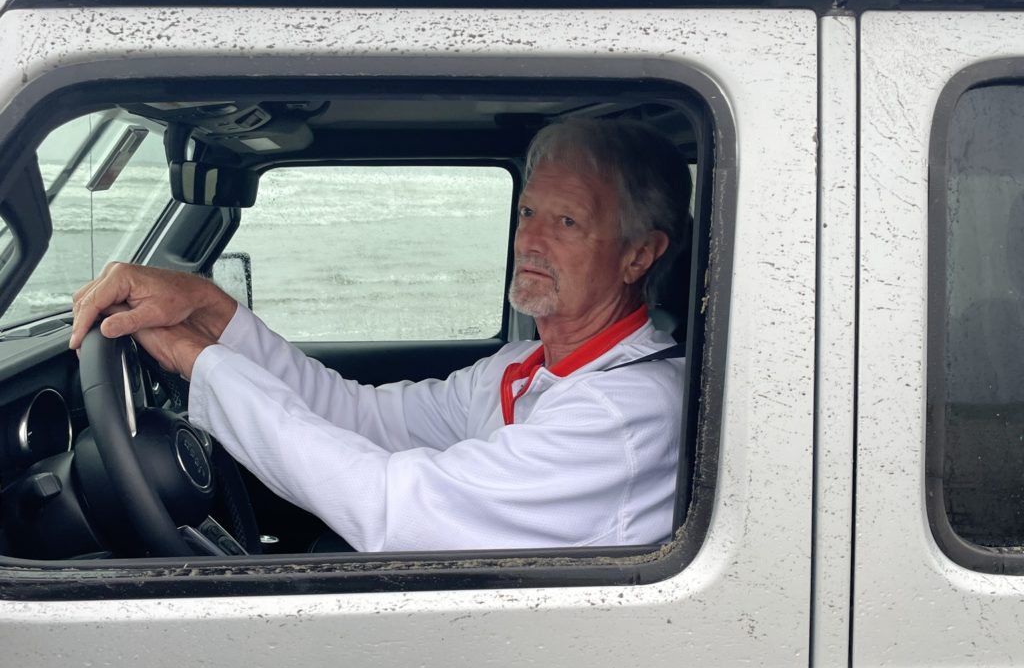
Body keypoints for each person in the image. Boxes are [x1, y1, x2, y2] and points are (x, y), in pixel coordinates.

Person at [69, 118, 691, 553]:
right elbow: (357, 416)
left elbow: (397, 512)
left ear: (639, 256)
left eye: (567, 221)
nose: (530, 239)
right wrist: (217, 317)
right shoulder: (524, 366)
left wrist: (201, 364)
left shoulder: (627, 411)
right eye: (529, 212)